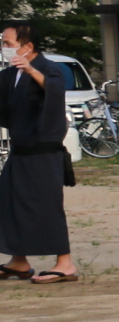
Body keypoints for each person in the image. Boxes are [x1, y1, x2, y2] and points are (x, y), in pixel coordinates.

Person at [0, 20, 75, 283]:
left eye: (9, 44)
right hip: (20, 150)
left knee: (47, 205)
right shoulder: (10, 74)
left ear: (27, 46)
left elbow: (55, 92)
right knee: (12, 203)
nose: (5, 49)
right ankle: (19, 260)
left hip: (44, 151)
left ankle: (64, 263)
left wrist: (32, 71)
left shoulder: (48, 68)